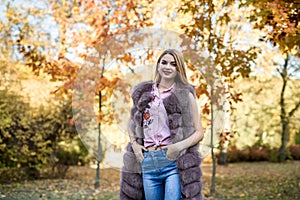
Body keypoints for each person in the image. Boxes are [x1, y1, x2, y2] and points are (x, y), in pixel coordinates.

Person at [120, 49, 204, 200]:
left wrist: (177, 147)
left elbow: (199, 132)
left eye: (173, 64)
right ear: (158, 65)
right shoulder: (144, 93)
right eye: (164, 62)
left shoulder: (186, 95)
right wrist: (134, 144)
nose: (167, 67)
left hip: (171, 162)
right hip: (148, 162)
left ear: (178, 69)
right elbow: (132, 122)